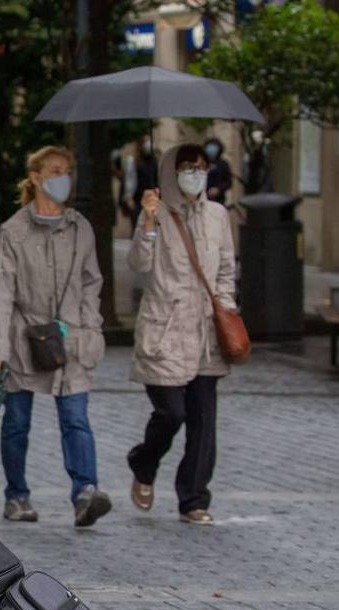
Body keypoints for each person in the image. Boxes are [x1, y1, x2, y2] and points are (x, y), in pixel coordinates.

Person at [0, 146, 112, 527]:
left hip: (71, 338)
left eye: (68, 171)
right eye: (56, 171)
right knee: (17, 422)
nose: (64, 178)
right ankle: (17, 495)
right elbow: (1, 292)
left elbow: (92, 281)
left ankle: (85, 492)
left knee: (76, 418)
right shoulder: (14, 231)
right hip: (25, 339)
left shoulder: (80, 228)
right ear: (37, 177)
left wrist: (91, 328)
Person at [127, 144, 236, 525]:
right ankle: (144, 461)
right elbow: (139, 264)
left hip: (206, 330)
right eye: (187, 167)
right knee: (172, 413)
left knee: (203, 420)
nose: (195, 174)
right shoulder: (156, 213)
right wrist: (149, 221)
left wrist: (226, 305)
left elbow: (225, 268)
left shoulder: (218, 215)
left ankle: (193, 498)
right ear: (172, 172)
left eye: (201, 167)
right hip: (165, 330)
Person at [203, 137, 233, 205]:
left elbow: (228, 182)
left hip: (218, 200)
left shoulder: (223, 164)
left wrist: (218, 189)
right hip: (202, 199)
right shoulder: (201, 163)